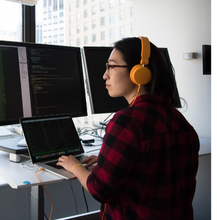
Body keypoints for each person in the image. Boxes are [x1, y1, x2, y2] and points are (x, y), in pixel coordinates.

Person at [56, 37, 200, 220]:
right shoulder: (180, 120)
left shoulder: (127, 122)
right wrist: (109, 158)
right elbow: (155, 163)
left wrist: (74, 165)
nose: (105, 75)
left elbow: (99, 190)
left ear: (138, 73)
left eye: (111, 66)